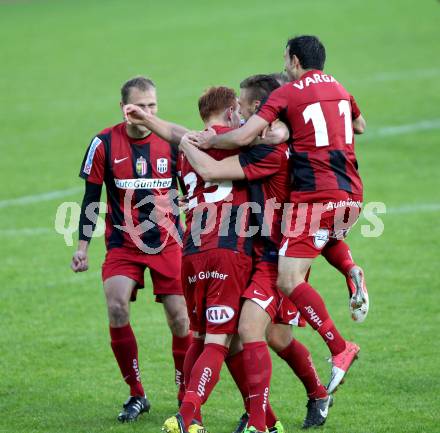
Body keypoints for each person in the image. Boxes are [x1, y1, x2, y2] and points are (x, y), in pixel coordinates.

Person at [189, 35, 368, 394]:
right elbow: (360, 126)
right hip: (351, 193)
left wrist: (205, 141)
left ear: (296, 61)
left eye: (286, 58)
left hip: (313, 197)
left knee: (287, 283)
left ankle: (338, 348)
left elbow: (242, 139)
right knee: (317, 246)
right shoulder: (340, 88)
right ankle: (350, 273)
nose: (285, 64)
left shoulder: (286, 96)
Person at [180, 74, 332, 431]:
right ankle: (260, 417)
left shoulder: (265, 146)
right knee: (241, 336)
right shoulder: (249, 140)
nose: (246, 120)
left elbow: (210, 164)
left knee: (267, 336)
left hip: (279, 254)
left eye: (251, 112)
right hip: (248, 248)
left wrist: (186, 142)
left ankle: (314, 394)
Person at [71, 76, 192, 422]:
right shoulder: (104, 144)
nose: (146, 112)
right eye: (139, 106)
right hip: (124, 243)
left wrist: (188, 200)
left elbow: (192, 188)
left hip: (168, 243)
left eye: (152, 105)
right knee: (117, 306)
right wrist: (82, 247)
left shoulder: (170, 143)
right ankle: (137, 394)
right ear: (123, 108)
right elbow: (90, 199)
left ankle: (185, 396)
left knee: (181, 319)